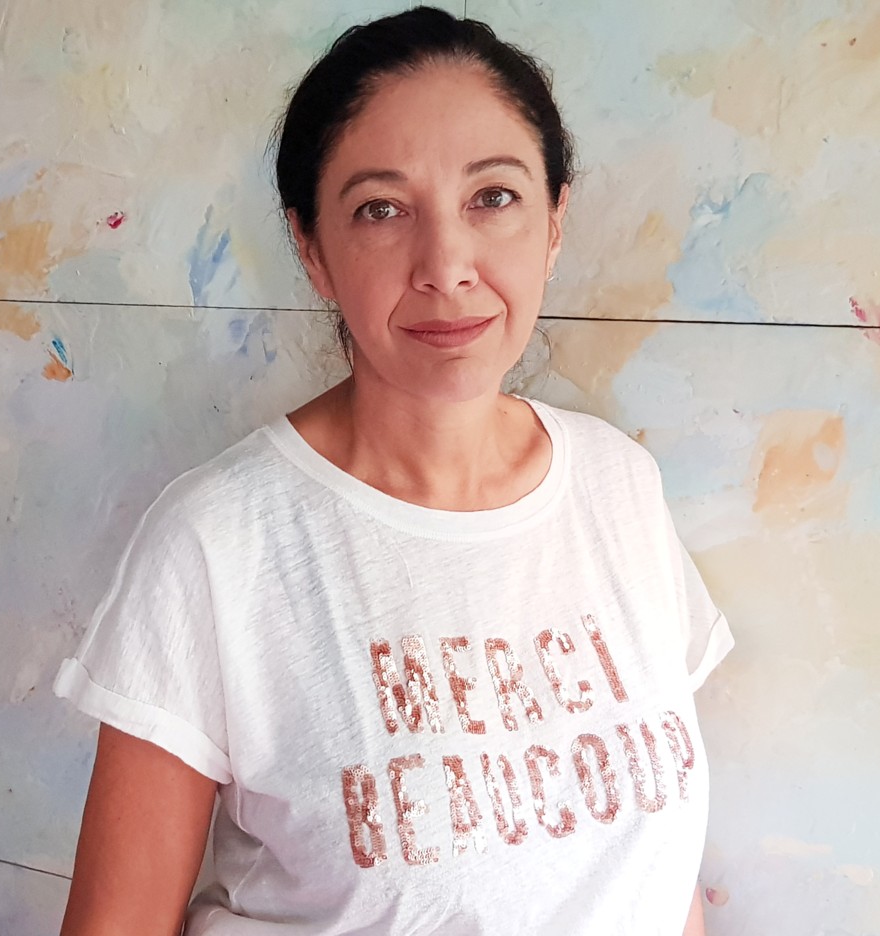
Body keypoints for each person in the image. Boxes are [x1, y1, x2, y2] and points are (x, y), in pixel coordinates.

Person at [54, 7, 733, 935]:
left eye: (493, 197)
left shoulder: (620, 487)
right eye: (381, 209)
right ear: (311, 247)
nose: (446, 266)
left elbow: (657, 881)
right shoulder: (219, 544)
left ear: (555, 221)